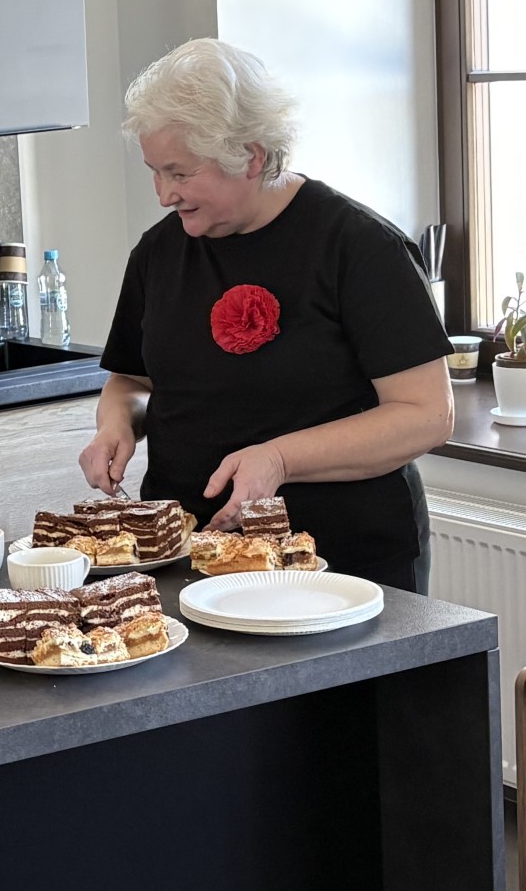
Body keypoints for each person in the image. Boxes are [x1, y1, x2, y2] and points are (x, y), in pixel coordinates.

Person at [78, 39, 454, 593]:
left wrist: (279, 459)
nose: (163, 195)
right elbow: (132, 381)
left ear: (251, 156)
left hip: (344, 564)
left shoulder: (359, 247)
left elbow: (427, 414)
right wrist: (116, 424)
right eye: (155, 172)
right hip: (190, 559)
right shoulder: (158, 253)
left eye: (179, 173)